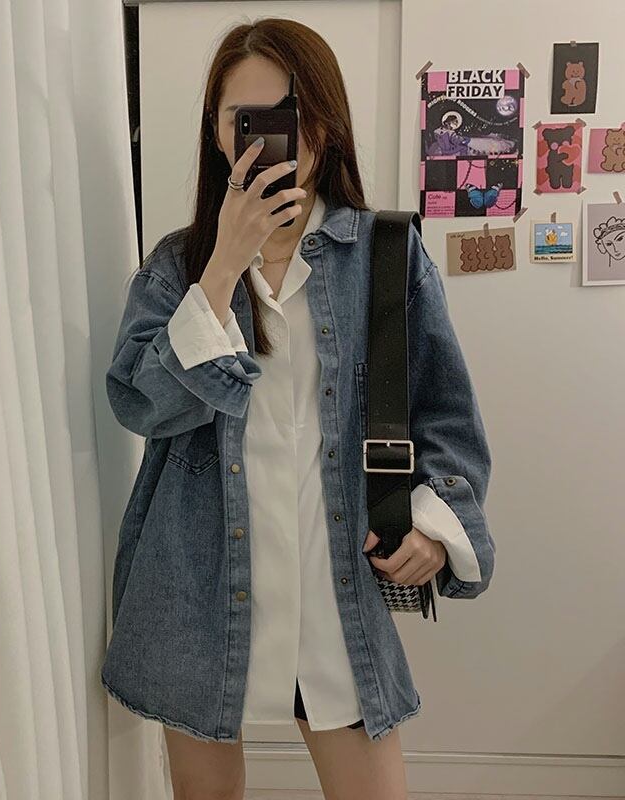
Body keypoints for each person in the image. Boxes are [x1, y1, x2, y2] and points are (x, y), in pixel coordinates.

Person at [101, 18, 495, 800]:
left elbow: (447, 415)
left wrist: (432, 522)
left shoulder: (386, 255)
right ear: (218, 132)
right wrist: (222, 266)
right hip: (199, 577)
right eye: (242, 118)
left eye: (287, 112)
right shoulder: (178, 265)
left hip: (332, 573)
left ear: (323, 122)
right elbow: (141, 403)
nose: (265, 137)